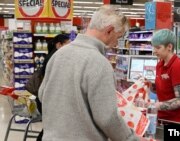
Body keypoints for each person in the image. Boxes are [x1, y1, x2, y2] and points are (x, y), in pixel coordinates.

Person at [38, 5, 141, 141]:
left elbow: (42, 94)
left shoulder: (59, 54)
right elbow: (107, 118)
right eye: (119, 37)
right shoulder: (99, 63)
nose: (117, 42)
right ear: (109, 31)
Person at [25, 34, 70, 141]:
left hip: (44, 98)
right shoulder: (56, 58)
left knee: (49, 128)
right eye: (68, 44)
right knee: (51, 129)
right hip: (47, 99)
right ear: (59, 45)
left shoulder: (52, 56)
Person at [150, 29, 180, 124]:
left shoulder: (177, 66)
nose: (155, 51)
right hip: (163, 119)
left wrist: (157, 106)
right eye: (154, 47)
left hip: (178, 120)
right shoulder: (160, 65)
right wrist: (149, 86)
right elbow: (164, 89)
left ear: (169, 47)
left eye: (158, 48)